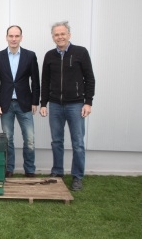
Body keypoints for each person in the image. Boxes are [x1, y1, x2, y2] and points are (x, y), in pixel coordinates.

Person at [39, 21, 95, 191]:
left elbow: (89, 78)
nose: (60, 37)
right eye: (56, 34)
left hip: (76, 105)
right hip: (55, 105)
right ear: (53, 37)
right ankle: (57, 172)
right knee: (57, 141)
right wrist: (43, 103)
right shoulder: (49, 55)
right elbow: (45, 81)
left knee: (77, 143)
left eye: (63, 33)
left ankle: (77, 177)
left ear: (69, 35)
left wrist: (88, 102)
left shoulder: (81, 52)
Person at [0, 25, 40, 178]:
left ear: (21, 38)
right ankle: (9, 168)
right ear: (6, 37)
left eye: (16, 36)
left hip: (24, 104)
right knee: (8, 140)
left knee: (30, 139)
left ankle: (29, 169)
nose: (13, 39)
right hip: (5, 105)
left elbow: (35, 81)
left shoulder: (30, 56)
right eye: (11, 36)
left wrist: (35, 101)